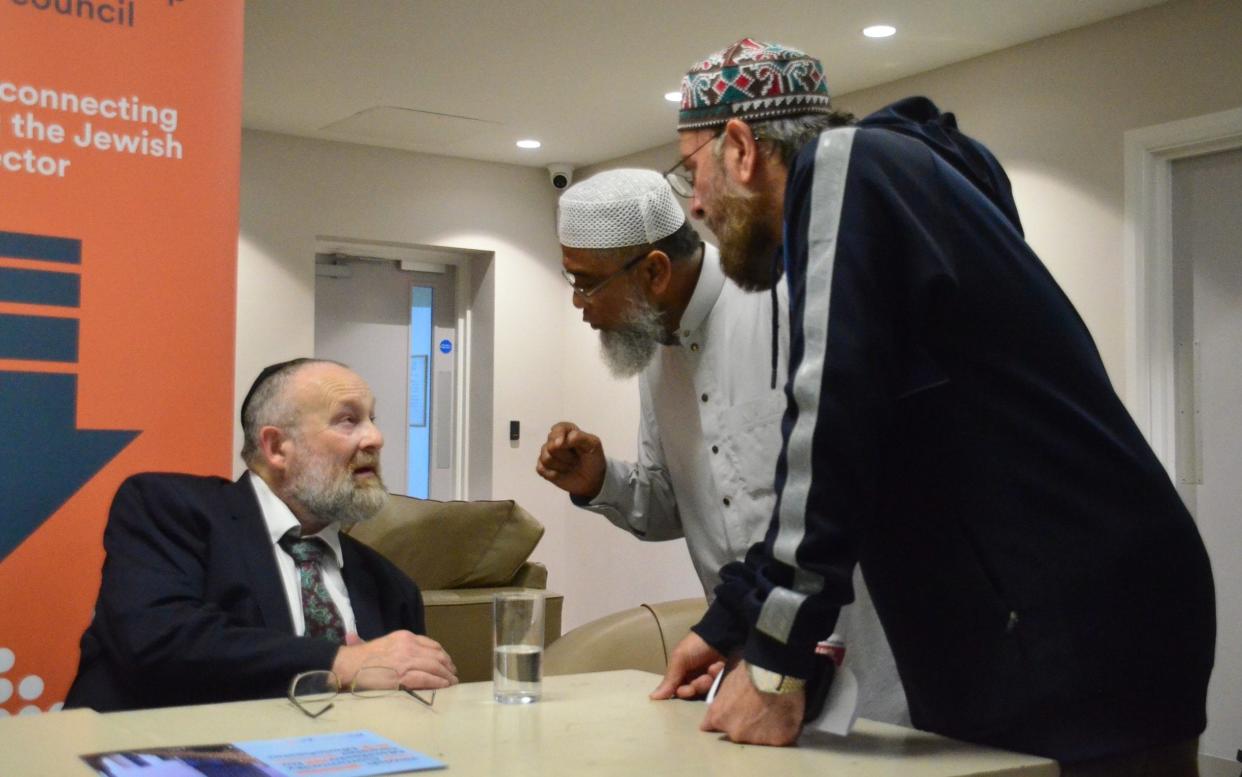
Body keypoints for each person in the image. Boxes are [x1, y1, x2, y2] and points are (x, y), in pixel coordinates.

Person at [653, 38, 1215, 771]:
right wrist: (734, 620)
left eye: (690, 170)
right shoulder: (893, 192)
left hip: (1066, 633)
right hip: (1105, 612)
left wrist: (774, 664)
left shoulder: (843, 170)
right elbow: (847, 452)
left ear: (740, 147)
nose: (694, 204)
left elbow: (827, 429)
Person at [536, 168, 908, 725]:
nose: (576, 302)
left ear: (655, 271)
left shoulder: (782, 307)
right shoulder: (655, 353)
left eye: (585, 282)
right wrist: (599, 481)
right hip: (745, 664)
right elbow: (673, 503)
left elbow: (838, 492)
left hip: (867, 671)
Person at [65, 358, 458, 711]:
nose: (375, 438)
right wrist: (342, 663)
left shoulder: (391, 586)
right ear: (276, 447)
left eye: (372, 418)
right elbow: (156, 640)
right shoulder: (169, 508)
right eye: (348, 420)